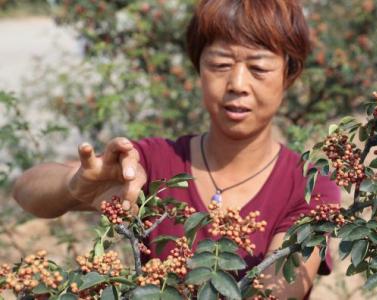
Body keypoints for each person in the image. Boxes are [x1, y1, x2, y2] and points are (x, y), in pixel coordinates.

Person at [13, 0, 340, 298]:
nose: (238, 84)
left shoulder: (310, 186)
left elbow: (279, 289)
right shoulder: (157, 164)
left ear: (289, 74)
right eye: (221, 64)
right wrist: (74, 186)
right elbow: (26, 190)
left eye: (258, 68)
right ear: (199, 68)